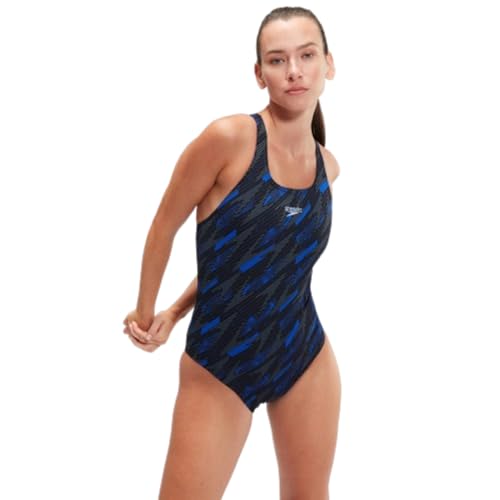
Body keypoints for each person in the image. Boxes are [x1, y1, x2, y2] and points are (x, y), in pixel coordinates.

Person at [123, 6, 342, 500]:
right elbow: (164, 226)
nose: (294, 71)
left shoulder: (328, 168)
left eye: (307, 56)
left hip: (303, 352)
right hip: (221, 360)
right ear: (260, 74)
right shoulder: (229, 139)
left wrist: (178, 306)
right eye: (278, 60)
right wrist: (151, 312)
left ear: (329, 64)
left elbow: (256, 259)